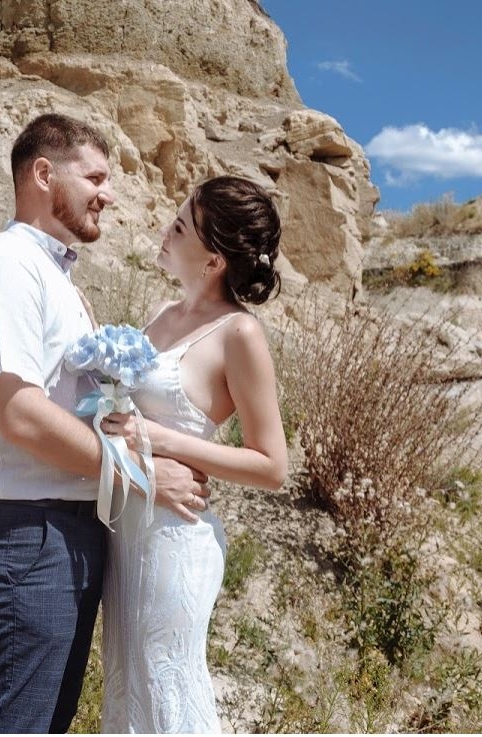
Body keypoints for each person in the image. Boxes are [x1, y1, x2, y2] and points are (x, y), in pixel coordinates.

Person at [0, 113, 210, 734]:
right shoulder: (5, 265)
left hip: (60, 532)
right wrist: (143, 474)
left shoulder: (53, 275)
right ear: (42, 174)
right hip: (27, 536)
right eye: (94, 177)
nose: (108, 194)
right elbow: (21, 414)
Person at [98, 176, 290, 733]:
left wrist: (165, 442)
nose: (165, 230)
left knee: (168, 689)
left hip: (175, 539)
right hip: (127, 532)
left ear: (212, 260)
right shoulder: (161, 313)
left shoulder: (240, 334)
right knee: (127, 688)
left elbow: (272, 466)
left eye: (180, 226)